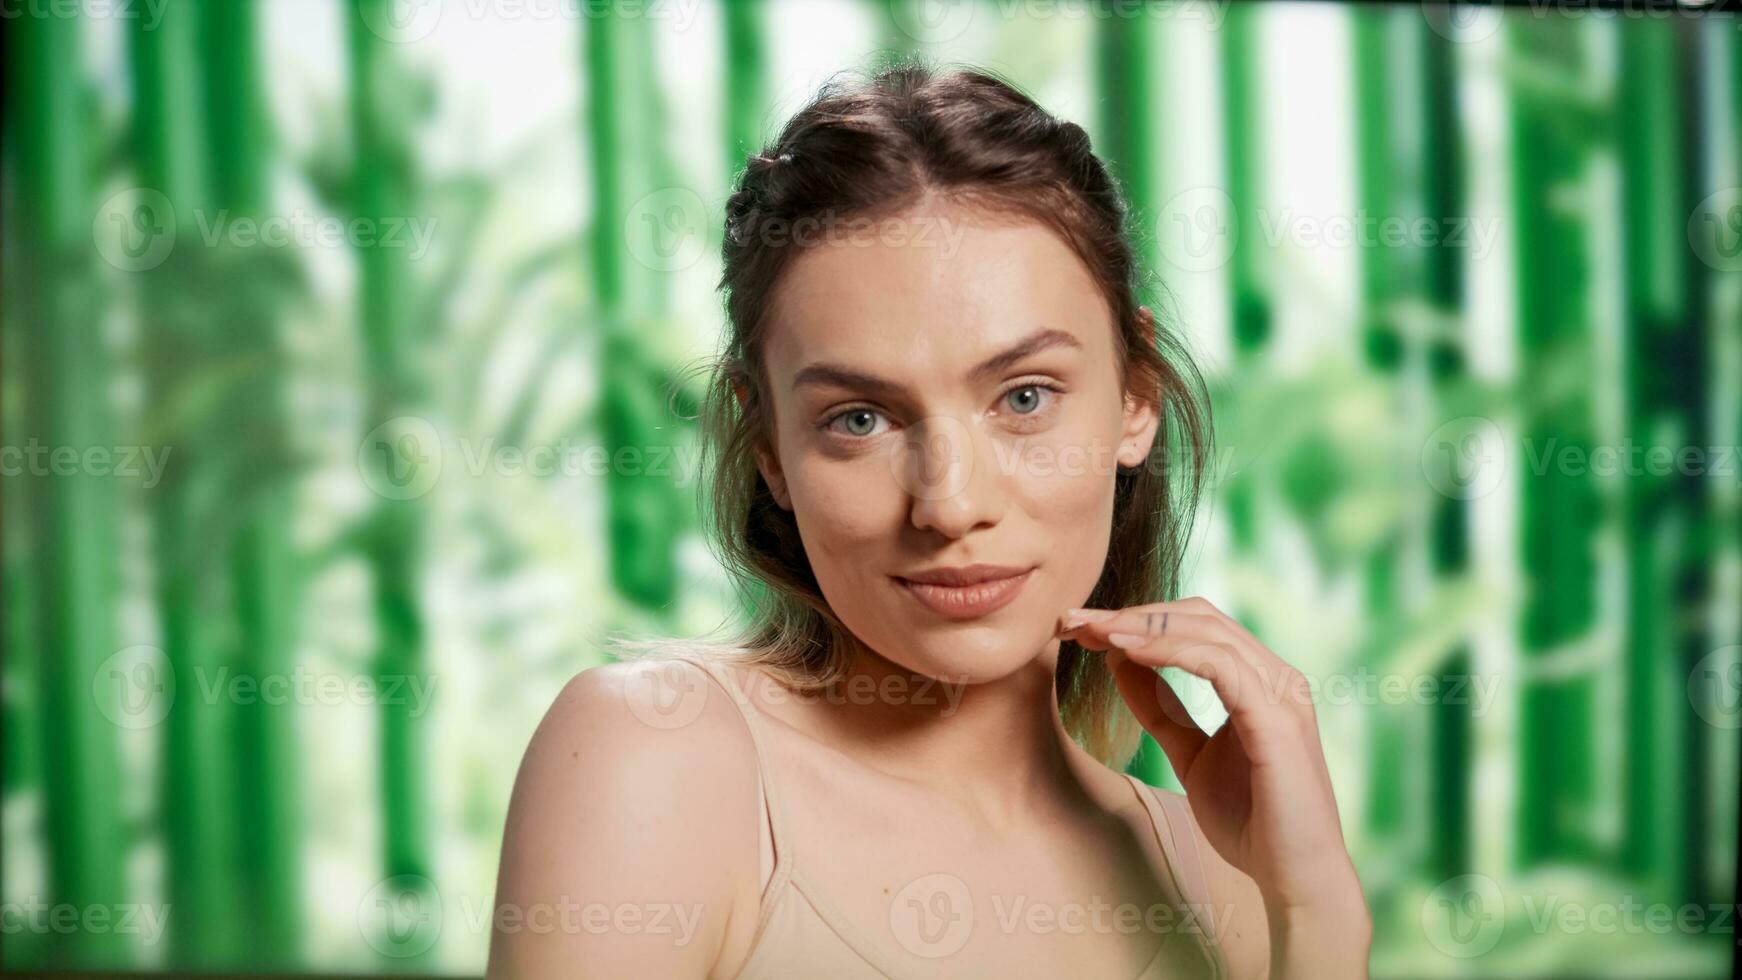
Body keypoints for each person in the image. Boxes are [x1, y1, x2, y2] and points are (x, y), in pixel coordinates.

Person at [487, 59, 1371, 980]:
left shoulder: (1226, 883)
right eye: (858, 419)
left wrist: (1319, 917)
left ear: (1135, 399)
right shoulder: (656, 762)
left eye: (1025, 397)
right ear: (770, 452)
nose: (950, 503)